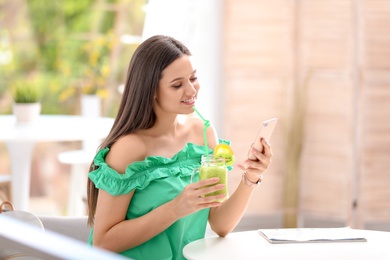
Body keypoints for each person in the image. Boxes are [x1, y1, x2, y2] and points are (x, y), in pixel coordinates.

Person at [86, 35, 272, 259]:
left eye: (193, 78)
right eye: (177, 85)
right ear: (151, 90)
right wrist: (176, 208)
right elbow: (103, 241)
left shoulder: (202, 134)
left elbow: (220, 224)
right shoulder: (129, 148)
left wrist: (251, 177)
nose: (192, 91)